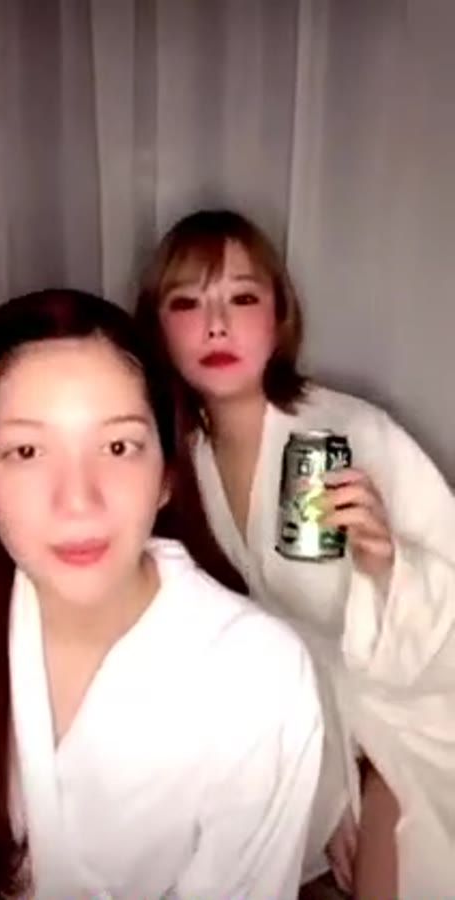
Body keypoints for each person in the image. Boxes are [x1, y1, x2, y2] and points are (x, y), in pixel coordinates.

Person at [133, 208, 455, 900]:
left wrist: (388, 564)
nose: (217, 325)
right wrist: (325, 783)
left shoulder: (354, 431)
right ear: (157, 328)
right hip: (281, 721)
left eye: (243, 298)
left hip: (413, 711)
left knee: (404, 838)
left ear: (280, 316)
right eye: (187, 303)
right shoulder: (164, 462)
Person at [0, 289, 322, 900]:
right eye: (27, 451)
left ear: (166, 474)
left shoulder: (256, 673)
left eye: (118, 447)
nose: (78, 501)